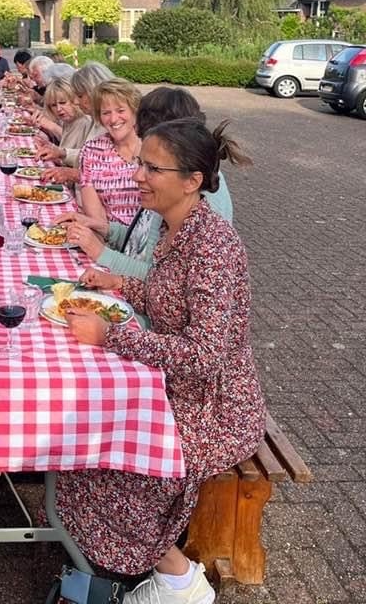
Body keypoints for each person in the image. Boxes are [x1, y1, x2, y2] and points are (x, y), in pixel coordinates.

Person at [56, 118, 266, 604]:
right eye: (139, 164)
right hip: (179, 388)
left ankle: (179, 579)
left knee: (109, 462)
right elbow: (166, 298)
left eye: (152, 168)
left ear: (192, 181)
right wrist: (120, 285)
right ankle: (127, 564)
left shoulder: (211, 247)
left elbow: (204, 357)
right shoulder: (179, 227)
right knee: (83, 447)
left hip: (214, 409)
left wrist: (112, 337)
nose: (137, 177)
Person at [59, 87, 239, 282]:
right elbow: (140, 241)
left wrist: (100, 252)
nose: (137, 176)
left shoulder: (203, 213)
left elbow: (163, 283)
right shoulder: (169, 185)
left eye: (152, 165)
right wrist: (102, 227)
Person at [78, 78, 143, 226]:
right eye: (106, 113)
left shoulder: (153, 146)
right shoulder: (91, 150)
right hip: (108, 238)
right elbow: (95, 216)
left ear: (135, 110)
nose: (113, 119)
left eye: (121, 110)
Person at [37, 60, 112, 184]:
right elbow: (88, 156)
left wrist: (73, 173)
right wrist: (61, 152)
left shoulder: (110, 124)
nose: (76, 102)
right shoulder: (96, 120)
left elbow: (110, 171)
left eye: (80, 96)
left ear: (95, 92)